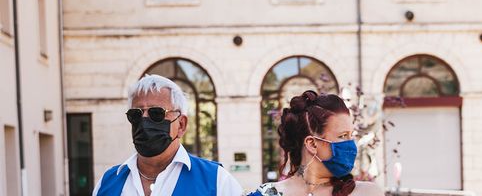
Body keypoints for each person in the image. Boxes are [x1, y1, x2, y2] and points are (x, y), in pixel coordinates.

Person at [92, 74, 243, 196]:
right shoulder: (108, 182)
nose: (144, 120)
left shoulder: (216, 181)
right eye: (136, 114)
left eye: (156, 113)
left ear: (181, 124)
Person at [251, 90, 384, 196]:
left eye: (351, 135)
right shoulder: (267, 194)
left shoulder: (366, 192)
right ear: (312, 144)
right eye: (343, 136)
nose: (351, 144)